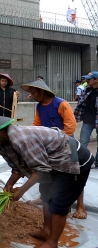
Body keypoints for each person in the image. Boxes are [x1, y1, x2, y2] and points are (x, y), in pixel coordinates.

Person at [0, 115, 94, 248]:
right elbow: (18, 166)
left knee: (59, 202)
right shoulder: (3, 144)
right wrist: (9, 183)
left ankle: (52, 245)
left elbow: (40, 169)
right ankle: (46, 231)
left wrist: (21, 190)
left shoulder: (21, 139)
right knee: (46, 195)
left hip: (73, 160)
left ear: (0, 133)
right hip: (53, 163)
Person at [22, 79, 86, 219]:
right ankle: (45, 198)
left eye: (34, 93)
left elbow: (70, 126)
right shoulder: (39, 106)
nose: (32, 95)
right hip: (49, 146)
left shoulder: (61, 104)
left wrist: (55, 141)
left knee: (75, 174)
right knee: (50, 173)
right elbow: (37, 125)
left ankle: (81, 206)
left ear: (42, 92)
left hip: (67, 143)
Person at [74, 70, 98, 169]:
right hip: (87, 120)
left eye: (89, 79)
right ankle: (81, 163)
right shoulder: (86, 90)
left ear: (96, 80)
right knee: (83, 143)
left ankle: (97, 163)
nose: (86, 80)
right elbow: (81, 105)